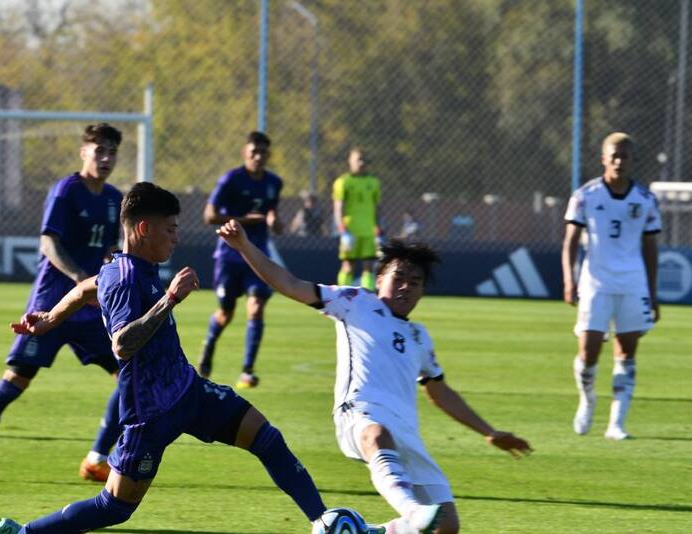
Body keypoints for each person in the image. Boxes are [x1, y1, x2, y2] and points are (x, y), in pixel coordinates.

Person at [0, 182, 341, 534]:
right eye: (171, 229)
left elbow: (86, 288)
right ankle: (25, 533)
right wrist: (169, 299)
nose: (176, 238)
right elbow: (122, 345)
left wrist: (50, 319)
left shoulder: (127, 266)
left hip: (189, 392)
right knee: (113, 506)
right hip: (150, 415)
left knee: (266, 438)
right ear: (144, 229)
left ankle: (324, 522)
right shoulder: (125, 279)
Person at [217, 220, 533, 534]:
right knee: (377, 437)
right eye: (399, 278)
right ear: (380, 278)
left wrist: (488, 431)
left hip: (406, 433)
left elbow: (439, 392)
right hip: (360, 414)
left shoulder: (419, 336)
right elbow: (289, 283)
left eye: (416, 281)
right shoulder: (355, 302)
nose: (407, 286)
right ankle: (411, 510)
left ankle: (371, 532)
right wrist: (244, 246)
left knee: (447, 526)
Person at [0, 123, 125, 484]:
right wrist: (77, 279)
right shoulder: (65, 191)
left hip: (88, 310)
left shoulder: (113, 198)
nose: (105, 158)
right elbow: (48, 243)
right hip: (49, 309)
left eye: (112, 152)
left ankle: (96, 459)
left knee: (131, 374)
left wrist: (111, 265)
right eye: (99, 150)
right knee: (15, 382)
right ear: (83, 152)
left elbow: (105, 247)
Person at [562, 132, 661, 441]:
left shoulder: (645, 199)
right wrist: (569, 278)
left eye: (625, 156)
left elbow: (650, 246)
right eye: (613, 156)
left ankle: (616, 423)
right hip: (596, 282)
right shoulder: (585, 195)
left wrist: (653, 291)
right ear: (604, 158)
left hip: (633, 283)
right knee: (589, 351)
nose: (619, 161)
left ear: (632, 160)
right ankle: (587, 398)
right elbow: (571, 241)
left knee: (626, 351)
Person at [198, 131, 284, 389]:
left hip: (257, 255)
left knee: (256, 306)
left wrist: (274, 222)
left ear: (268, 155)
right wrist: (246, 220)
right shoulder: (231, 180)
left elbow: (273, 218)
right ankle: (210, 345)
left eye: (262, 153)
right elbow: (210, 216)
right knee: (226, 313)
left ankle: (247, 370)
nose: (257, 157)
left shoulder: (274, 183)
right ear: (244, 153)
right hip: (229, 256)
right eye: (253, 152)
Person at [332, 148, 383, 290]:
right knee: (348, 266)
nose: (361, 163)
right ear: (350, 161)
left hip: (368, 231)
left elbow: (377, 208)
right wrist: (343, 232)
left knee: (369, 267)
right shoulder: (343, 182)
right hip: (351, 231)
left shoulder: (373, 182)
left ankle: (367, 299)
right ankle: (342, 298)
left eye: (364, 160)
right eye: (358, 159)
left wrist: (379, 230)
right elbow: (338, 208)